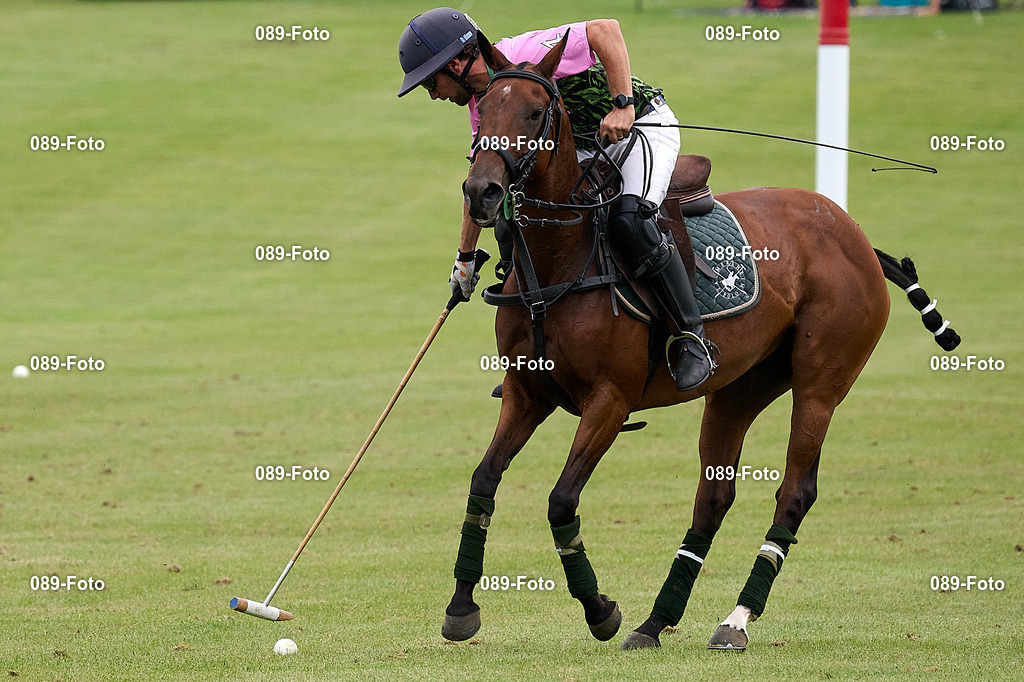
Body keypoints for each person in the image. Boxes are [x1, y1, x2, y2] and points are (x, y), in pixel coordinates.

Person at [397, 8, 718, 391]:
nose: (433, 95)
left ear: (457, 64)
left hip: (640, 130)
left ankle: (692, 337)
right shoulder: (484, 104)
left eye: (431, 83)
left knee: (629, 220)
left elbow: (605, 30)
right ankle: (535, 351)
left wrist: (623, 105)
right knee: (513, 221)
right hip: (581, 150)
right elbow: (480, 179)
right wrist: (465, 258)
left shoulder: (525, 51)